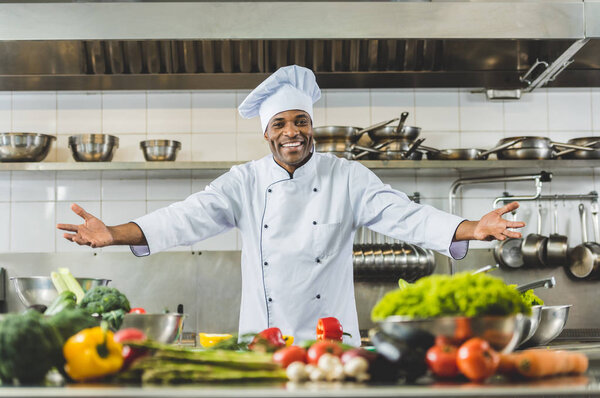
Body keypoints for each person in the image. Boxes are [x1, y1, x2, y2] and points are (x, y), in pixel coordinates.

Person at [57, 65, 525, 346]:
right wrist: (115, 233)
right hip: (265, 338)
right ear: (266, 132)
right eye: (280, 123)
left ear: (312, 125)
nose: (291, 132)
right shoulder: (244, 181)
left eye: (300, 121)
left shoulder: (347, 176)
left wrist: (471, 226)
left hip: (334, 340)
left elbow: (404, 214)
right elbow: (187, 217)